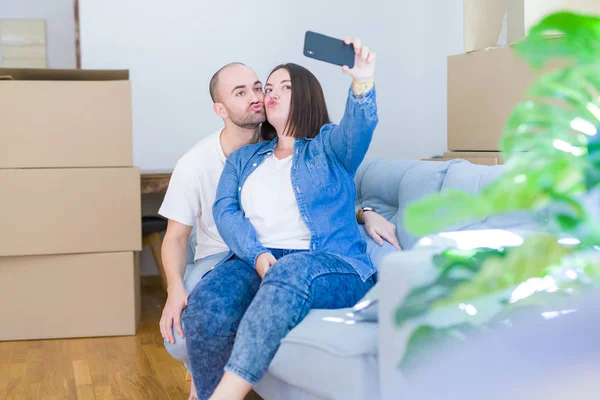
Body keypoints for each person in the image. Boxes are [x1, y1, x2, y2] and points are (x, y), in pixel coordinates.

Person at [158, 60, 398, 400]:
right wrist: (255, 255)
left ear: (305, 97)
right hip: (256, 260)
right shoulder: (243, 159)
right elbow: (225, 212)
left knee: (288, 272)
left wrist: (362, 80)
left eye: (282, 87)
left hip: (327, 263)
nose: (267, 94)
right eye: (268, 88)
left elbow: (358, 130)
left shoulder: (328, 146)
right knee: (208, 305)